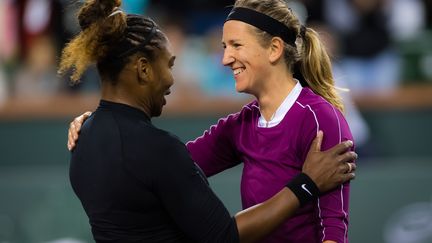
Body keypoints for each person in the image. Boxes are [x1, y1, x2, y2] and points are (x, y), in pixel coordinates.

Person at [65, 0, 357, 242]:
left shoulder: (321, 119)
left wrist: (105, 128)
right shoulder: (241, 125)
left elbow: (333, 230)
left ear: (274, 49)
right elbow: (162, 167)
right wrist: (106, 126)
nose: (225, 58)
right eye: (224, 46)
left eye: (236, 45)